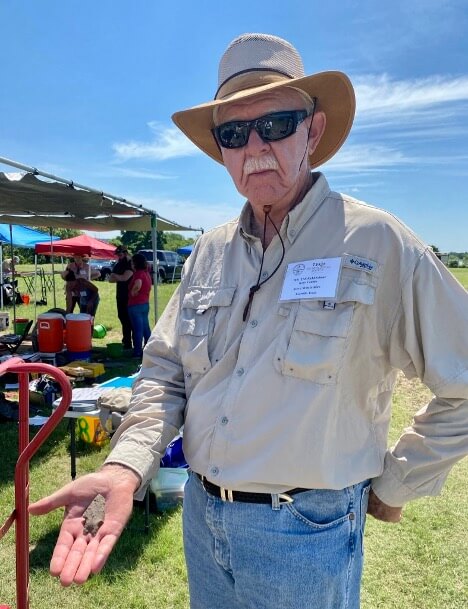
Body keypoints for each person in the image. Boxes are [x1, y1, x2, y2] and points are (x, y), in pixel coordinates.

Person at [29, 33, 468, 608]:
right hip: (202, 513)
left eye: (277, 123)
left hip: (305, 533)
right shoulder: (209, 252)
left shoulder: (378, 243)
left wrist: (398, 481)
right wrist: (126, 467)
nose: (255, 145)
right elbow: (165, 373)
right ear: (222, 151)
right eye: (234, 134)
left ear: (312, 131)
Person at [128, 253, 152, 358]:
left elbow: (138, 284)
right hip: (145, 303)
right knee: (146, 328)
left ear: (135, 263)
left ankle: (137, 352)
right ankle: (149, 349)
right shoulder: (146, 273)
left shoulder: (138, 274)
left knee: (138, 329)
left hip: (135, 304)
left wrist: (133, 291)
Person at [109, 245, 133, 350]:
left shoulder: (130, 264)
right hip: (120, 295)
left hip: (130, 295)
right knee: (122, 317)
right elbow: (110, 279)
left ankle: (129, 342)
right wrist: (118, 277)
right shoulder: (118, 264)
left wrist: (117, 277)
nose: (119, 256)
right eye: (118, 254)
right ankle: (126, 340)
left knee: (129, 319)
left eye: (120, 254)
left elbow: (125, 277)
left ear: (125, 253)